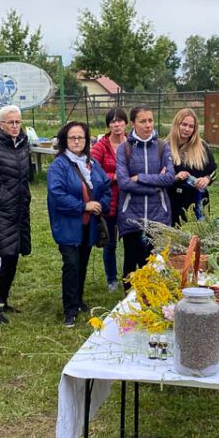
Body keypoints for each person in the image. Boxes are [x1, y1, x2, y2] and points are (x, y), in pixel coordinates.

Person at [47, 121, 112, 327]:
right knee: (72, 264)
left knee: (82, 263)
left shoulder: (92, 163)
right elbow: (57, 194)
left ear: (86, 140)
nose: (76, 141)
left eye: (80, 138)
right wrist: (84, 206)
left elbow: (106, 188)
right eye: (72, 137)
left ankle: (78, 299)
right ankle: (69, 309)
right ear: (65, 140)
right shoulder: (59, 165)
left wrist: (101, 204)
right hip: (68, 224)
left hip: (88, 225)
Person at [116, 105, 175, 290]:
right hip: (131, 213)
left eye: (150, 120)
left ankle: (152, 299)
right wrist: (155, 187)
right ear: (133, 124)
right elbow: (124, 183)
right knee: (131, 260)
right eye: (143, 121)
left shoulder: (162, 146)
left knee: (154, 261)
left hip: (159, 212)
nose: (148, 125)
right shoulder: (124, 148)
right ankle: (128, 301)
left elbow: (169, 178)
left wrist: (141, 178)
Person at [0, 105, 32, 320]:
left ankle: (3, 299)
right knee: (4, 255)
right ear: (1, 124)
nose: (14, 126)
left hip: (20, 206)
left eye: (18, 122)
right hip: (1, 207)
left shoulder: (23, 142)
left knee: (14, 256)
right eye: (10, 122)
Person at [90, 108, 128, 292]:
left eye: (120, 121)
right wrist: (115, 177)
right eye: (113, 122)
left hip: (131, 200)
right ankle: (111, 278)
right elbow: (92, 171)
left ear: (126, 123)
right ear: (108, 126)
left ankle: (131, 275)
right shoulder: (100, 146)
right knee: (110, 243)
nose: (117, 125)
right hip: (110, 201)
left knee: (132, 240)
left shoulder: (133, 143)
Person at [167, 108, 217, 225]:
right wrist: (175, 177)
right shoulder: (165, 147)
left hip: (199, 201)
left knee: (197, 239)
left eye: (191, 126)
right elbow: (159, 176)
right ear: (176, 124)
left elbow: (213, 171)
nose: (187, 129)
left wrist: (206, 179)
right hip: (173, 202)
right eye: (184, 124)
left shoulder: (202, 146)